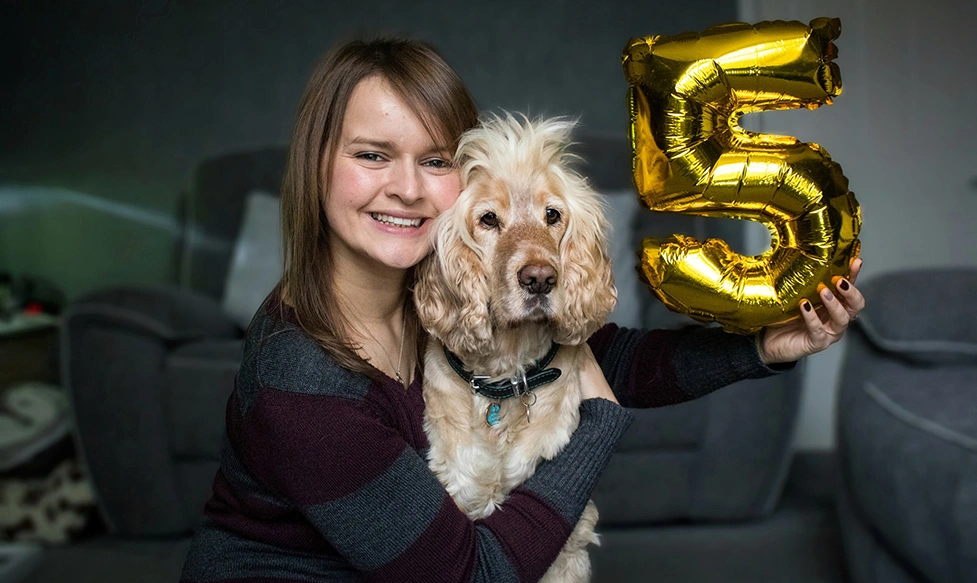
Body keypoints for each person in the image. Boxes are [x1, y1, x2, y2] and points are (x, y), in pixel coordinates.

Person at [180, 37, 866, 583]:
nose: (408, 188)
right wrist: (597, 426)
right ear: (316, 163)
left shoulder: (433, 290)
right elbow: (470, 575)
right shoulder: (299, 379)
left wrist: (761, 346)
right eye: (372, 155)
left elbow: (611, 357)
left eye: (435, 160)